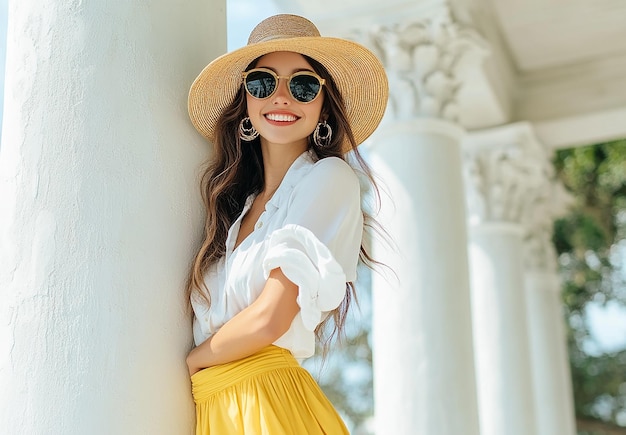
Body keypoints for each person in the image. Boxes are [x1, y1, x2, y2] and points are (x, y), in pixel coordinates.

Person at [185, 13, 388, 434]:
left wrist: (194, 360)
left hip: (267, 402)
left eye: (302, 85)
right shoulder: (238, 210)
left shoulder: (330, 178)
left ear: (322, 105)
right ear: (245, 101)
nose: (281, 97)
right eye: (262, 82)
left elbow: (271, 317)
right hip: (220, 407)